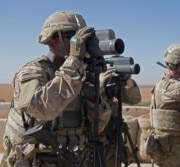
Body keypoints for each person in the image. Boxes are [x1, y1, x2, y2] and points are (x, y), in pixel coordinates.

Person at [0, 11, 112, 167]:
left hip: (72, 160)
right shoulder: (33, 71)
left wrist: (93, 88)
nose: (78, 43)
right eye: (71, 37)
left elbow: (97, 127)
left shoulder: (77, 76)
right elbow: (41, 109)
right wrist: (73, 61)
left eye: (82, 39)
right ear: (52, 40)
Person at [99, 65, 142, 166]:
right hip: (95, 141)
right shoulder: (81, 80)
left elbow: (134, 99)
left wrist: (127, 80)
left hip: (112, 139)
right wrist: (100, 84)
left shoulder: (108, 82)